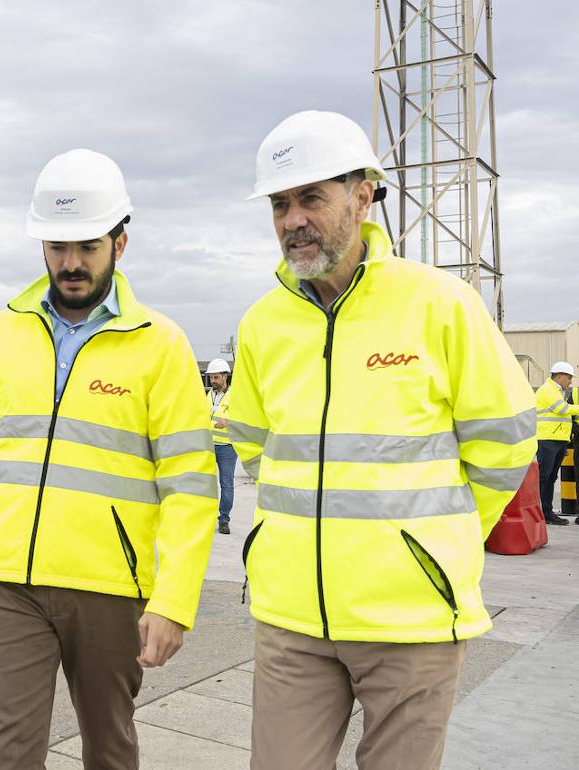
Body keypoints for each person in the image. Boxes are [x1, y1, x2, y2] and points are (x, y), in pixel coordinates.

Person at [227, 110, 536, 770]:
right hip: (292, 620)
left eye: (311, 197)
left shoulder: (441, 305)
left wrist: (429, 540)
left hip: (413, 620)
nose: (292, 220)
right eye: (280, 204)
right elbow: (256, 447)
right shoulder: (261, 325)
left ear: (363, 193)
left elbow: (506, 441)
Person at [0, 148, 217, 770]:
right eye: (57, 247)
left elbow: (191, 484)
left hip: (110, 586)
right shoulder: (1, 335)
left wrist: (175, 600)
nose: (71, 263)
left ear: (120, 243)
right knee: (7, 755)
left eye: (87, 246)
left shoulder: (160, 345)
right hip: (7, 582)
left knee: (108, 750)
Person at [535, 361, 579, 525]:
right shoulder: (547, 390)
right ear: (559, 376)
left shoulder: (557, 390)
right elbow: (562, 409)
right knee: (544, 477)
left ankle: (547, 512)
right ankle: (543, 512)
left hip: (557, 440)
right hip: (547, 440)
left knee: (550, 477)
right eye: (568, 378)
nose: (570, 381)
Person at [206, 358, 236, 534]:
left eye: (216, 377)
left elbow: (246, 419)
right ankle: (205, 517)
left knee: (226, 484)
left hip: (227, 447)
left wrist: (229, 422)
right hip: (208, 445)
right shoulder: (209, 394)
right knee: (204, 484)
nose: (213, 381)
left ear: (226, 376)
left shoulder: (236, 396)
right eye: (211, 378)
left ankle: (224, 520)